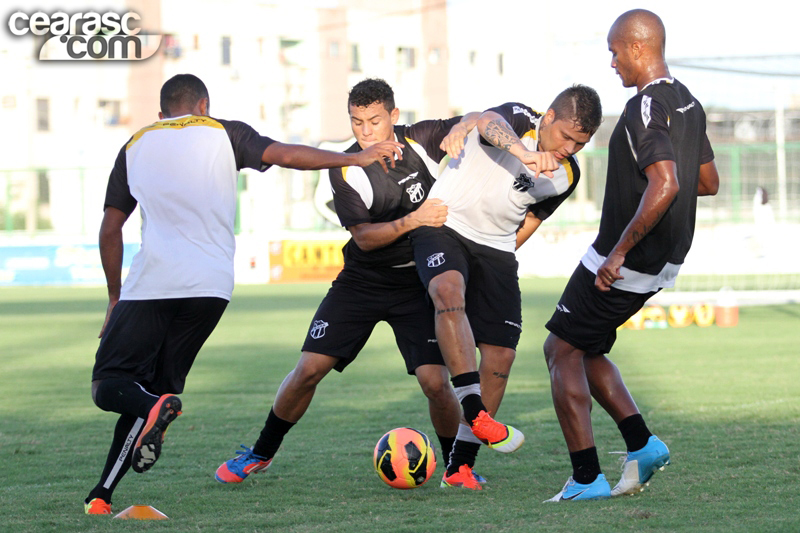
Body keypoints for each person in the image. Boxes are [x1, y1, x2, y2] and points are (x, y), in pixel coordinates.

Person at [84, 74, 403, 515]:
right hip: (211, 289)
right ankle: (101, 495)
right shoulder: (224, 132)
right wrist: (355, 156)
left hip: (152, 285)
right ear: (204, 105)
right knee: (149, 393)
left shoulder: (136, 144)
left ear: (161, 114)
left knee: (108, 386)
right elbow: (286, 154)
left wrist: (114, 297)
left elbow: (110, 229)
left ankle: (152, 409)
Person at [214, 78, 483, 485]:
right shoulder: (344, 168)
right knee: (308, 369)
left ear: (394, 115)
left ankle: (455, 469)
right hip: (362, 282)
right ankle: (260, 453)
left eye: (375, 120)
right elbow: (365, 238)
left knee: (435, 382)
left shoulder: (423, 139)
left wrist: (463, 127)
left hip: (416, 284)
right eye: (357, 122)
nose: (366, 131)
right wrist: (415, 219)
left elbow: (481, 118)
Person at [543, 9, 720, 502]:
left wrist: (619, 251)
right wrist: (660, 190)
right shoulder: (688, 102)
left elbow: (667, 182)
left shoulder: (644, 106)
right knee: (586, 348)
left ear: (638, 48)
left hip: (627, 258)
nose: (612, 62)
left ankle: (586, 479)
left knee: (559, 350)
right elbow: (708, 182)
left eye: (615, 51)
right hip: (665, 261)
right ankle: (642, 445)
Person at [410, 85, 603, 489]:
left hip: (496, 247)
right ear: (548, 117)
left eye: (580, 144)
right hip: (444, 224)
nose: (570, 148)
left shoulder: (567, 175)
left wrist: (502, 260)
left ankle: (459, 468)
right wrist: (524, 153)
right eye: (566, 136)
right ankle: (475, 409)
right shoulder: (519, 118)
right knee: (448, 291)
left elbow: (532, 219)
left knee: (501, 354)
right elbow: (486, 121)